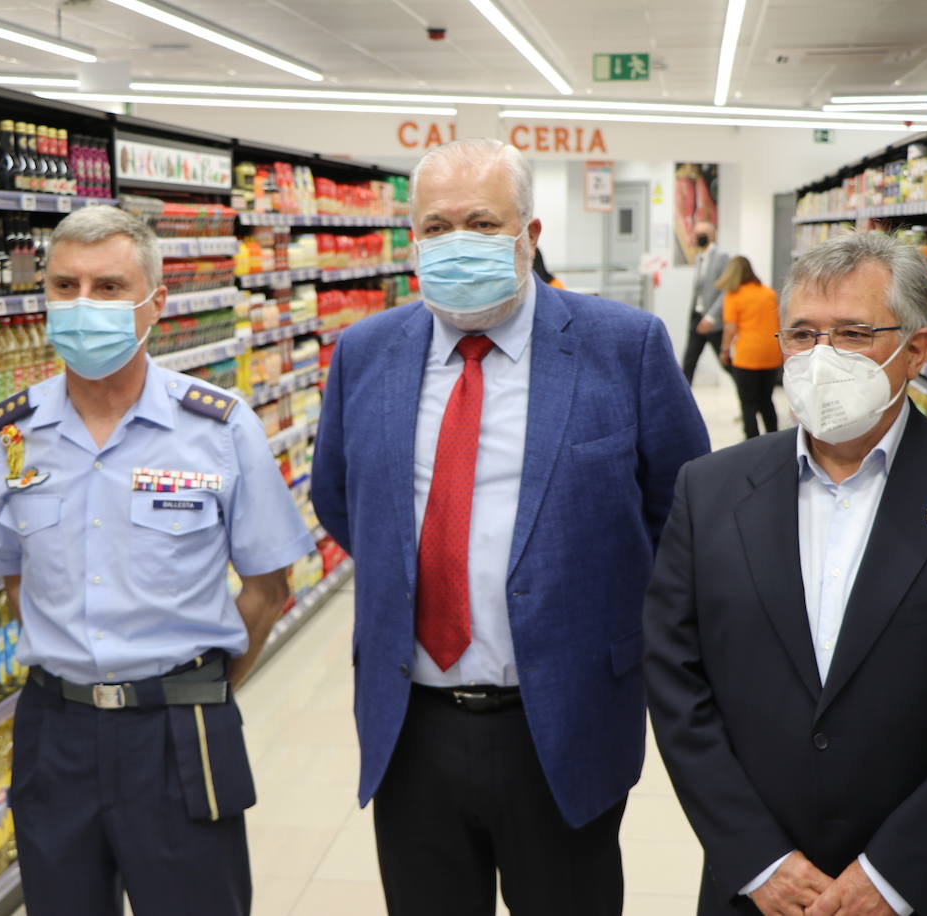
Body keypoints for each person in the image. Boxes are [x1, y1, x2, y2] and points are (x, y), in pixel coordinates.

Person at [311, 138, 709, 916]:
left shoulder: (622, 347)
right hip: (411, 725)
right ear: (413, 242)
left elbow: (683, 514)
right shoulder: (365, 354)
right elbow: (342, 500)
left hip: (563, 718)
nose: (457, 243)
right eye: (437, 226)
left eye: (483, 223)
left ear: (529, 236)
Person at [643, 231, 927, 916]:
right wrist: (758, 858)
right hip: (762, 890)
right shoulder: (710, 491)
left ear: (917, 350)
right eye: (804, 335)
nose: (822, 359)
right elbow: (675, 681)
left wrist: (895, 874)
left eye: (853, 334)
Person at [0, 206, 314, 916]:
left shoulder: (219, 427)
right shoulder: (12, 434)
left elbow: (269, 588)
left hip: (179, 731)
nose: (83, 305)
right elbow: (14, 576)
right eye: (65, 286)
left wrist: (200, 688)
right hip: (53, 732)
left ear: (155, 302)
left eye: (109, 287)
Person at [716, 256, 783, 438]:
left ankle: (752, 442)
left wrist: (724, 350)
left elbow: (730, 328)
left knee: (748, 403)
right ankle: (774, 438)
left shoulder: (733, 296)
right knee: (766, 400)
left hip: (748, 355)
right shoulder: (768, 293)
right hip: (771, 353)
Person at [680, 220, 730, 384]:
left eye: (703, 234)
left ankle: (749, 397)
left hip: (713, 320)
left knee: (726, 362)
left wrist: (711, 317)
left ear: (712, 235)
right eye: (697, 234)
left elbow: (726, 289)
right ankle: (682, 403)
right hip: (697, 315)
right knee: (689, 362)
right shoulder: (699, 257)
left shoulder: (722, 257)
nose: (699, 238)